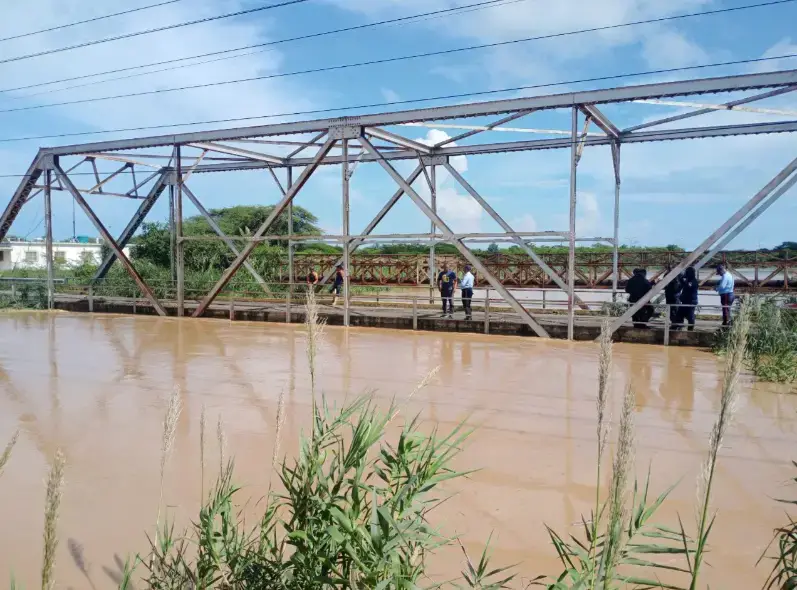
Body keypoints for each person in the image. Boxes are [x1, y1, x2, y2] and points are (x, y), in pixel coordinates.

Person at [674, 266, 698, 331]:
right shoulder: (688, 280)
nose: (686, 274)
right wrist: (682, 279)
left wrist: (683, 279)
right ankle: (679, 328)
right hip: (685, 302)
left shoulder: (693, 281)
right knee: (679, 315)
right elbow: (685, 285)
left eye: (686, 272)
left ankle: (690, 330)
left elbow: (689, 287)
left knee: (690, 317)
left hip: (691, 302)